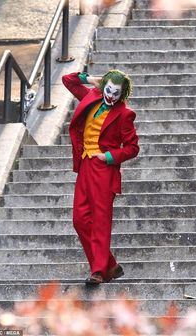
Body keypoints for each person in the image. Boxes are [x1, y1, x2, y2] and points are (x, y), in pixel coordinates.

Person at [62, 70, 139, 285]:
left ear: (122, 94)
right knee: (79, 219)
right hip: (85, 165)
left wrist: (108, 156)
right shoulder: (91, 97)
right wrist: (91, 79)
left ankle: (98, 271)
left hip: (104, 170)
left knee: (100, 222)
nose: (111, 96)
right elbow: (67, 80)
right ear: (103, 86)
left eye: (116, 93)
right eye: (108, 90)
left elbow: (133, 148)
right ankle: (110, 265)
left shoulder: (125, 114)